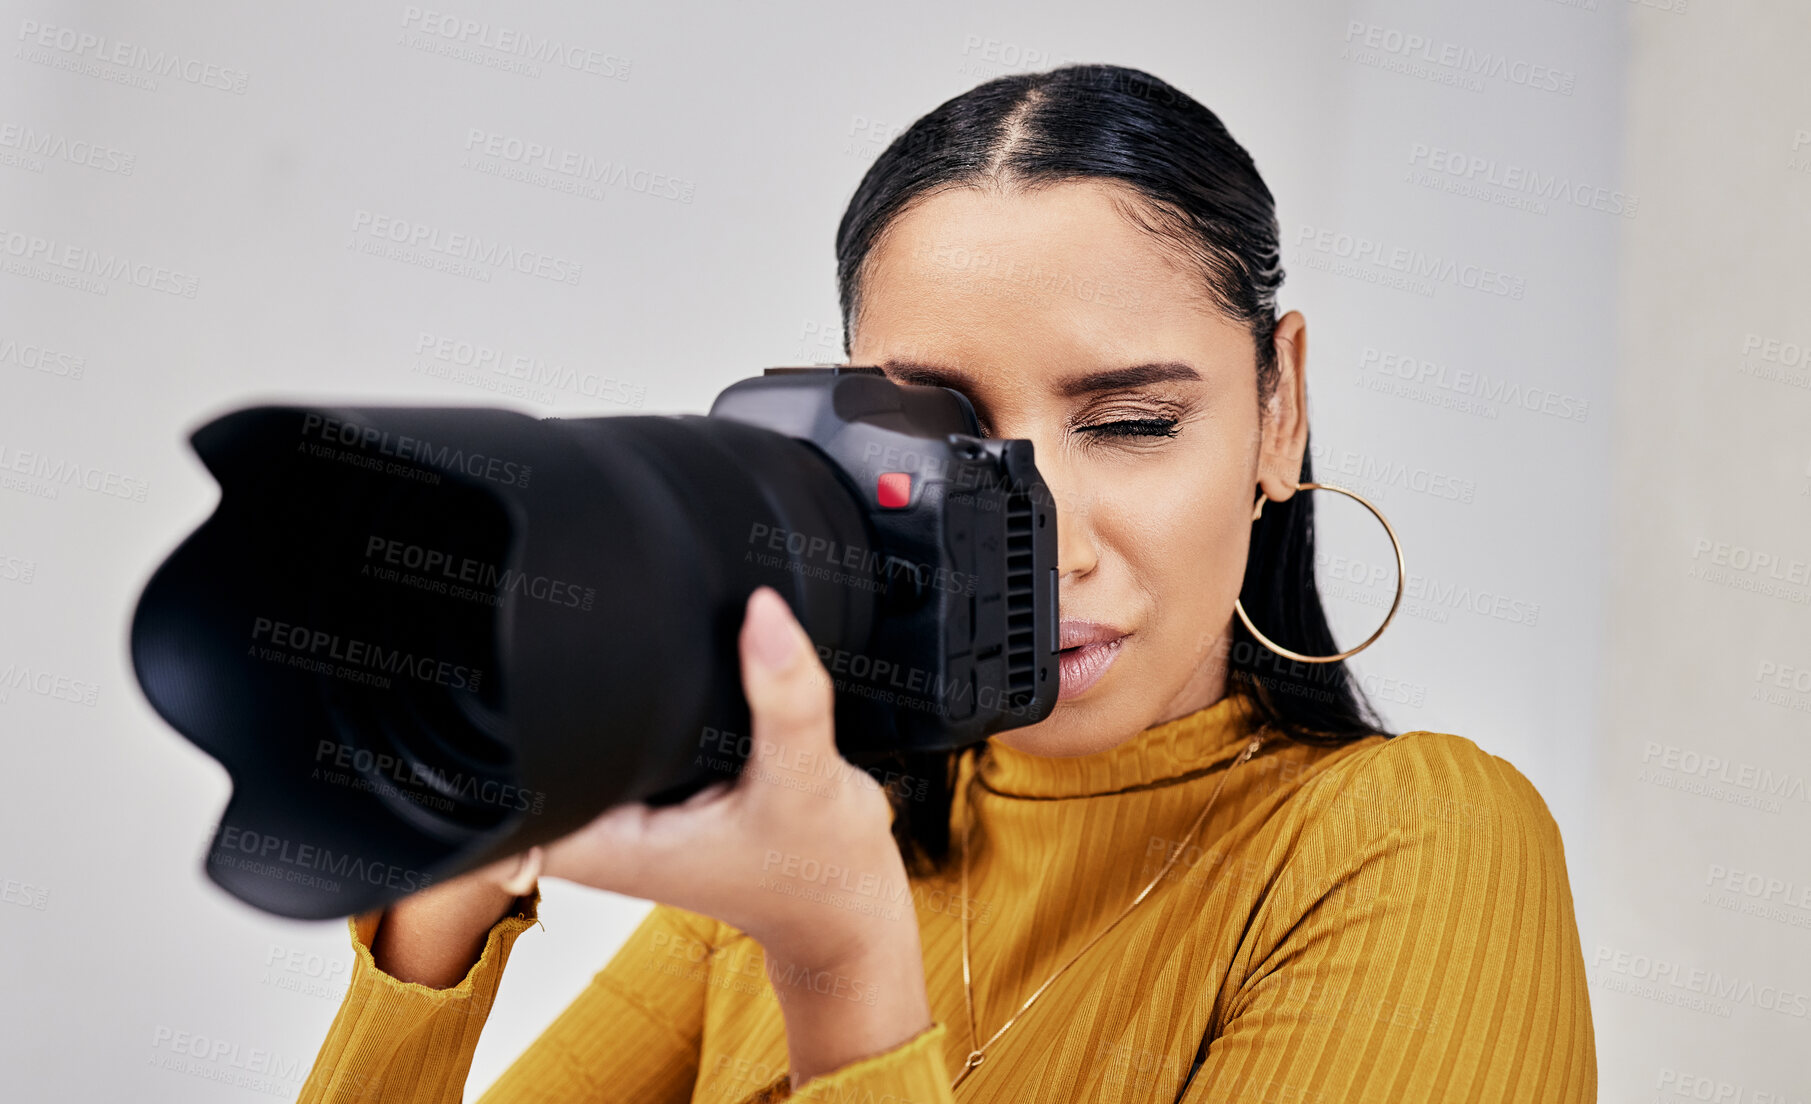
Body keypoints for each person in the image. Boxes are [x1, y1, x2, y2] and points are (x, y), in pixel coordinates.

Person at [297, 63, 1595, 1103]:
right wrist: (451, 866)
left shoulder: (1409, 840)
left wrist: (842, 959)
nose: (1040, 541)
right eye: (945, 440)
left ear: (1278, 405)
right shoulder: (811, 827)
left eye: (1132, 424)